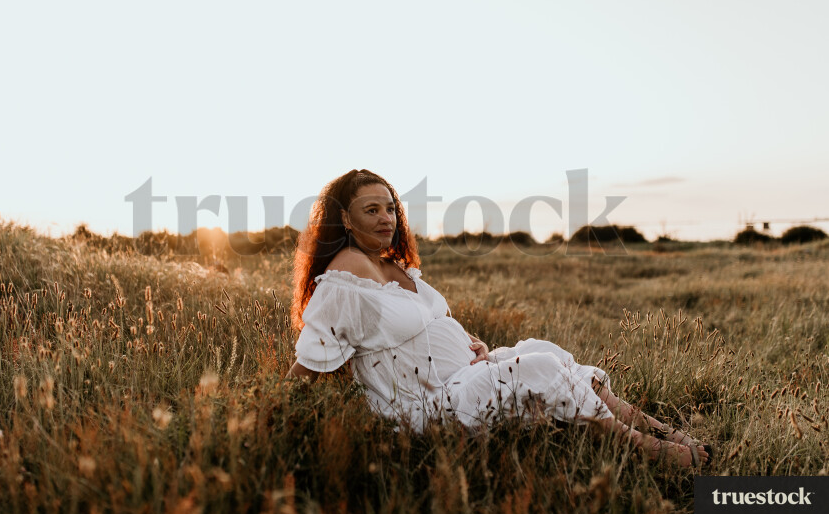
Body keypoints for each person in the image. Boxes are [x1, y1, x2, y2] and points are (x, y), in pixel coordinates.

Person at [285, 169, 711, 468]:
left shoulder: (392, 263)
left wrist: (474, 344)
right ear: (344, 217)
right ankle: (640, 448)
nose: (386, 219)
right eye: (371, 210)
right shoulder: (345, 276)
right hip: (422, 407)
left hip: (460, 376)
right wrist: (274, 410)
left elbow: (426, 324)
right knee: (540, 367)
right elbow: (312, 356)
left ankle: (658, 427)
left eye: (390, 208)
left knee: (542, 350)